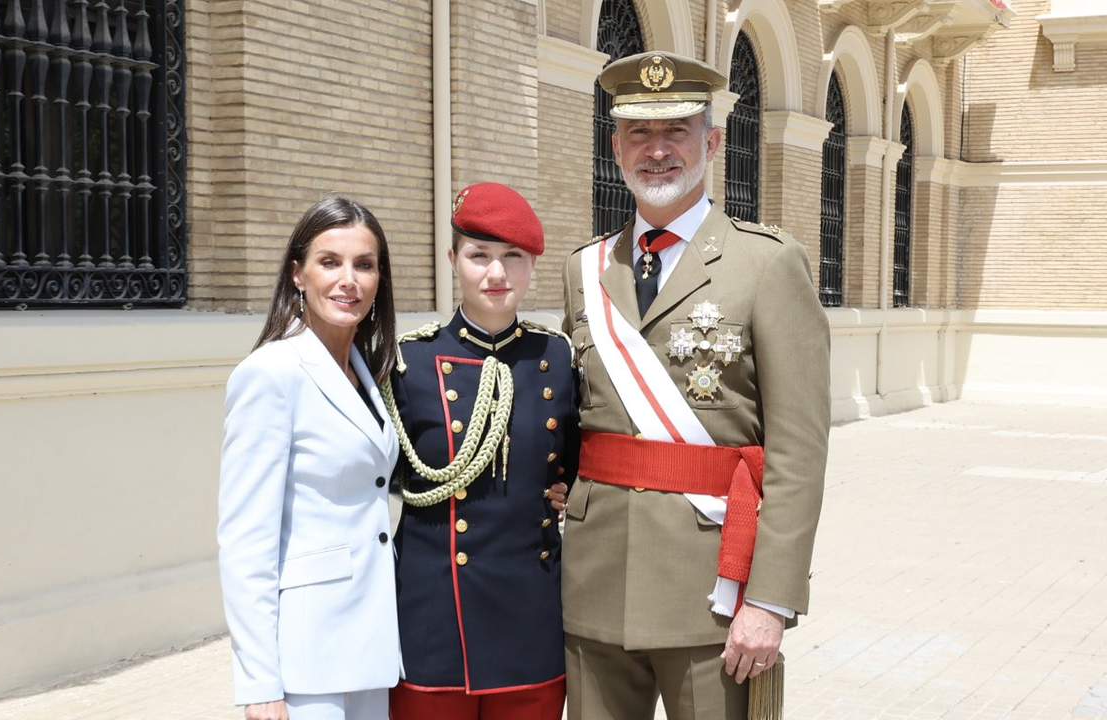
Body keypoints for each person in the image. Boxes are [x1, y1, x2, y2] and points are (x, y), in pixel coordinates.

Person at [560, 51, 831, 720]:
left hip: (713, 592)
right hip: (594, 584)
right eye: (639, 134)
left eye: (676, 131)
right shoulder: (585, 269)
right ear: (616, 147)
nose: (657, 152)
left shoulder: (766, 264)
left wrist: (769, 600)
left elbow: (799, 452)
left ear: (712, 143)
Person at [382, 182, 577, 720]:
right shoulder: (407, 363)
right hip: (433, 622)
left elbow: (581, 466)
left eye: (513, 257)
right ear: (453, 260)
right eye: (479, 256)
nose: (497, 274)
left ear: (533, 264)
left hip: (530, 621)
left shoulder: (557, 358)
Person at [218, 196, 401, 720]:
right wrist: (259, 683)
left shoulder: (367, 372)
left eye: (364, 265)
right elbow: (245, 540)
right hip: (305, 658)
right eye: (330, 262)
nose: (349, 280)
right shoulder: (271, 373)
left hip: (370, 647)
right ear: (298, 274)